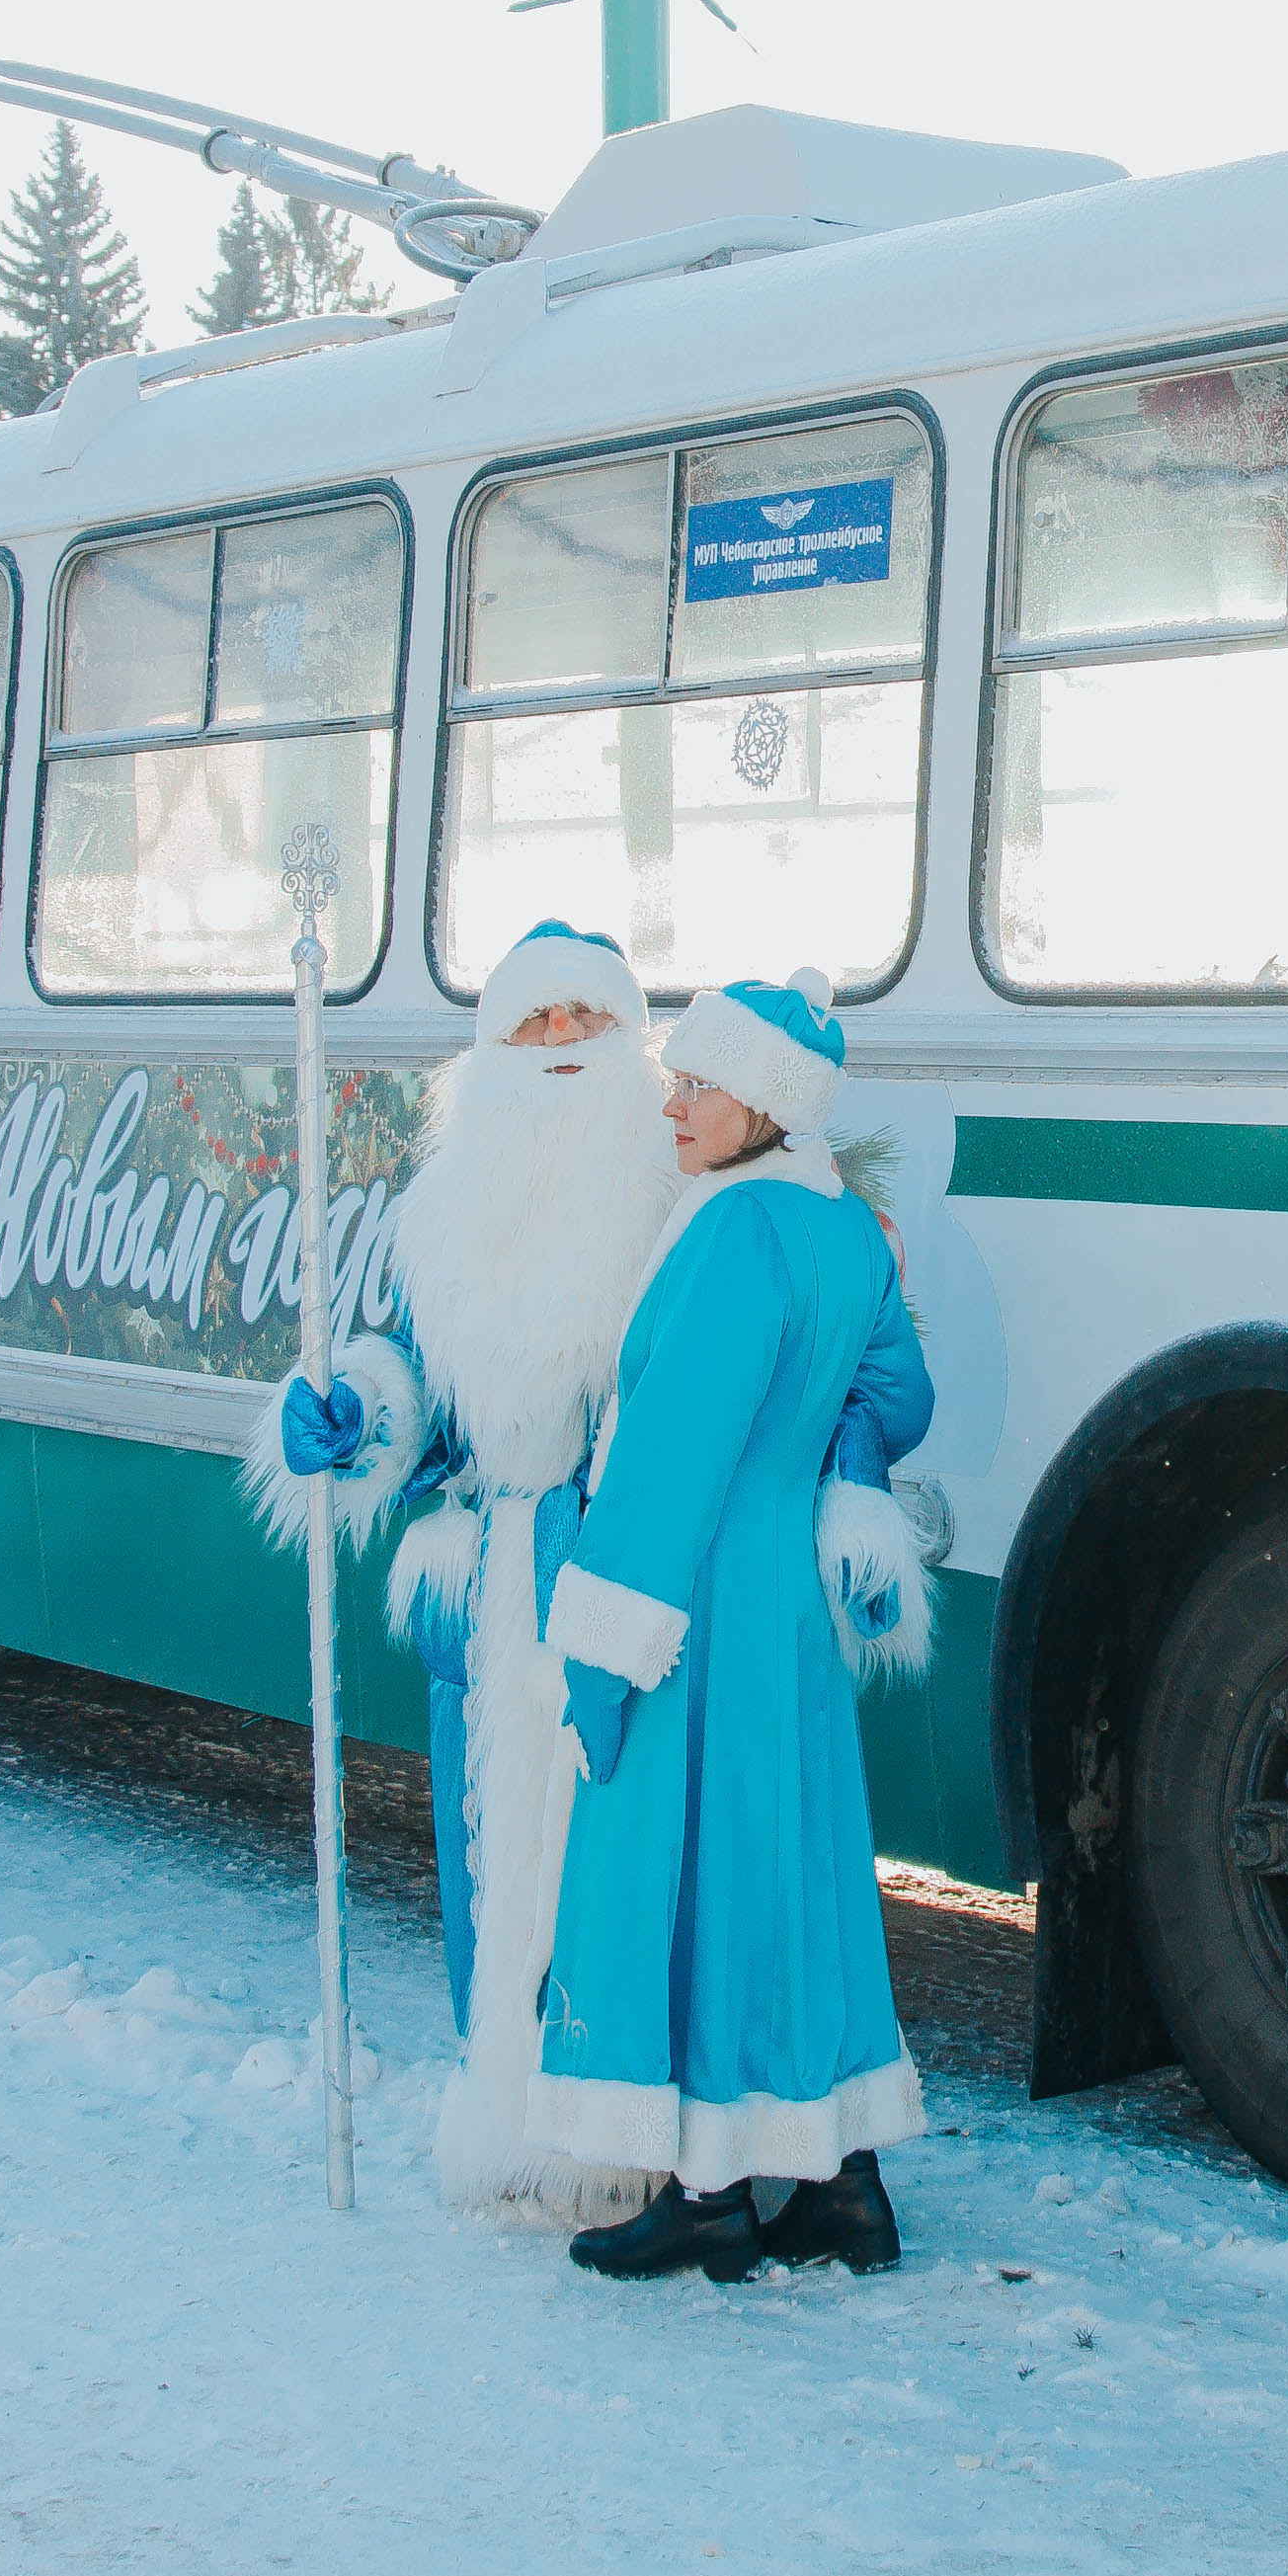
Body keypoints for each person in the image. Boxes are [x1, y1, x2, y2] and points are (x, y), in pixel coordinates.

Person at [534, 975, 941, 2281]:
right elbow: (898, 1397)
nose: (677, 1104)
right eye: (677, 1079)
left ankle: (707, 2194)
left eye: (702, 1085)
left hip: (693, 1599)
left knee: (686, 1876)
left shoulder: (728, 1234)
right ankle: (843, 2185)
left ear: (770, 1100)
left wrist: (600, 1649)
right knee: (796, 1876)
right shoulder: (841, 1230)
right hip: (790, 1611)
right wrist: (841, 1465)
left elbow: (670, 1456)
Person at [266, 922, 674, 2223]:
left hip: (635, 1573)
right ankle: (517, 2126)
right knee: (503, 1862)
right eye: (534, 1026)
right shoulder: (445, 1213)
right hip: (505, 1583)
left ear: (626, 1039)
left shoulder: (677, 1184)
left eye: (584, 1023)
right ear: (494, 1049)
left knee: (621, 1858)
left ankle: (636, 2140)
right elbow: (423, 1393)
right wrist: (357, 1410)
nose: (560, 1050)